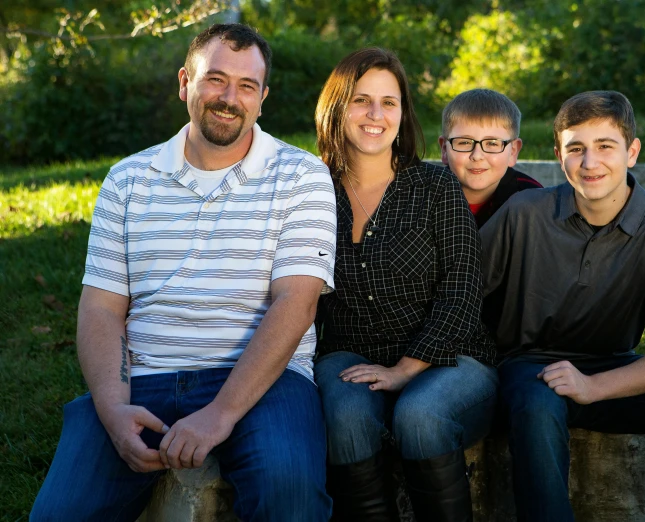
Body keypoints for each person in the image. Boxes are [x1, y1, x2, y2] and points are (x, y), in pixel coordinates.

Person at [30, 24, 335, 522]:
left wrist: (219, 416)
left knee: (290, 497)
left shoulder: (301, 175)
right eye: (215, 79)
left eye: (246, 86)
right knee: (60, 514)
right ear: (184, 83)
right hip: (146, 376)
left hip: (266, 381)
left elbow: (296, 303)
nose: (229, 98)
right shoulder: (127, 179)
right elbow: (101, 307)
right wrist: (113, 410)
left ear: (262, 98)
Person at [480, 90, 645, 522]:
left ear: (631, 152)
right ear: (559, 156)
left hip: (612, 372)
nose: (590, 162)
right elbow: (458, 290)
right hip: (529, 367)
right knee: (538, 405)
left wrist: (594, 387)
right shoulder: (523, 213)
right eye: (576, 148)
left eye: (605, 147)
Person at [313, 47, 497, 522]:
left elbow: (463, 289)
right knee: (346, 417)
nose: (376, 115)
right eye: (361, 100)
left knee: (420, 415)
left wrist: (405, 369)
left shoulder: (436, 187)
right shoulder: (311, 191)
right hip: (348, 355)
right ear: (337, 107)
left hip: (450, 358)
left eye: (389, 102)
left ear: (403, 113)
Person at [439, 88, 542, 230]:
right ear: (444, 149)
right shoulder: (423, 199)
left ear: (513, 151)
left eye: (492, 143)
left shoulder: (533, 199)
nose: (477, 156)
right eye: (464, 142)